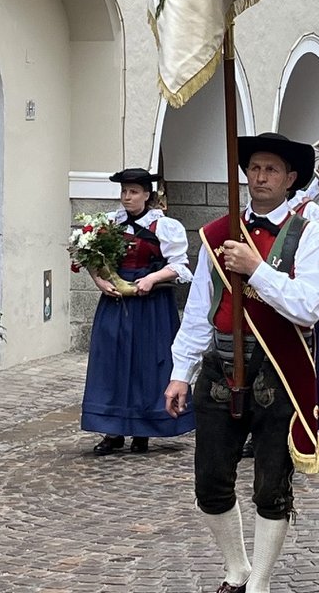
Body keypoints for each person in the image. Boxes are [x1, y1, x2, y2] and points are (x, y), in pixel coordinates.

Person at [167, 133, 319, 593]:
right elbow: (200, 308)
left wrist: (257, 269)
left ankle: (258, 582)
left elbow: (309, 307)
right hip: (220, 369)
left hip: (278, 372)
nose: (260, 177)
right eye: (254, 168)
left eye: (272, 170)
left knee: (270, 487)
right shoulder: (219, 234)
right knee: (211, 484)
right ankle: (236, 567)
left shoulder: (306, 231)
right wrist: (181, 373)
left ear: (291, 179)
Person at [84, 168, 194, 454]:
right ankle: (113, 430)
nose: (127, 197)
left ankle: (143, 430)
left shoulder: (164, 227)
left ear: (147, 195)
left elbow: (180, 266)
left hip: (151, 307)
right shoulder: (108, 224)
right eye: (124, 192)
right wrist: (99, 281)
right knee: (112, 362)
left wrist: (152, 279)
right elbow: (92, 260)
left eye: (133, 192)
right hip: (116, 303)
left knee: (147, 364)